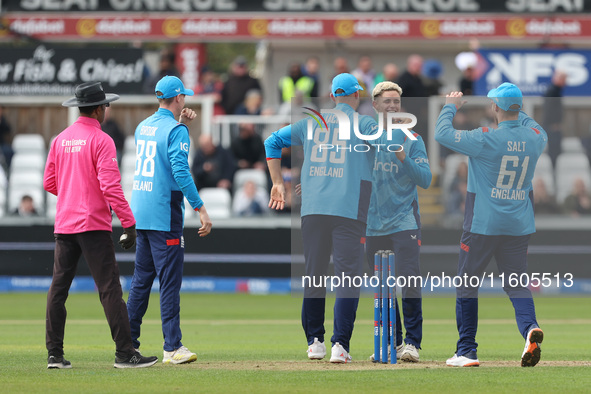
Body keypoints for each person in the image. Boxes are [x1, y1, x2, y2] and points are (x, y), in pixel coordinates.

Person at [264, 73, 406, 363]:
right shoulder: (364, 123)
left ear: (332, 97)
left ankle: (314, 342)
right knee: (347, 279)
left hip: (313, 207)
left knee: (314, 274)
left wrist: (278, 182)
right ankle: (340, 345)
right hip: (349, 209)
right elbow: (394, 148)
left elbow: (272, 141)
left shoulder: (312, 122)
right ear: (357, 96)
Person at [43, 81, 158, 369]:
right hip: (93, 224)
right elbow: (110, 186)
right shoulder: (102, 140)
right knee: (109, 289)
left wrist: (73, 193)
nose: (107, 109)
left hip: (65, 223)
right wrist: (129, 224)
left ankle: (54, 355)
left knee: (58, 290)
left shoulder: (60, 139)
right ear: (97, 109)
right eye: (105, 105)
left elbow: (49, 182)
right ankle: (124, 353)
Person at [435, 83, 547, 367]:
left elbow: (441, 134)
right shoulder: (536, 138)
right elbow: (527, 122)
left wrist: (450, 106)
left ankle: (466, 350)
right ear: (518, 108)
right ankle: (529, 328)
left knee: (467, 284)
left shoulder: (486, 138)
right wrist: (515, 109)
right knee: (518, 284)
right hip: (518, 223)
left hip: (483, 225)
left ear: (495, 107)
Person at [126, 76, 213, 365]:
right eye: (183, 97)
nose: (185, 101)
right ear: (178, 98)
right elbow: (179, 170)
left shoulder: (144, 126)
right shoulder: (176, 131)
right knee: (170, 282)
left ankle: (127, 345)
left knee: (141, 282)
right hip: (165, 210)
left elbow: (162, 150)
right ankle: (172, 347)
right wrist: (199, 207)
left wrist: (180, 122)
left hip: (142, 209)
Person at [366, 81, 432, 363]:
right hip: (371, 223)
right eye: (387, 101)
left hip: (404, 221)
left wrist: (402, 155)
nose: (392, 105)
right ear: (375, 105)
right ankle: (391, 344)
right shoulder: (363, 137)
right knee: (383, 288)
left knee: (409, 282)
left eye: (396, 101)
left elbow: (426, 180)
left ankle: (412, 343)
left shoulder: (413, 139)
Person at [542, 70, 567, 167]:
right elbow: (549, 109)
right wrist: (554, 124)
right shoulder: (552, 91)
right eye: (563, 79)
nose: (565, 82)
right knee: (554, 151)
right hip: (552, 127)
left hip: (553, 126)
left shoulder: (555, 90)